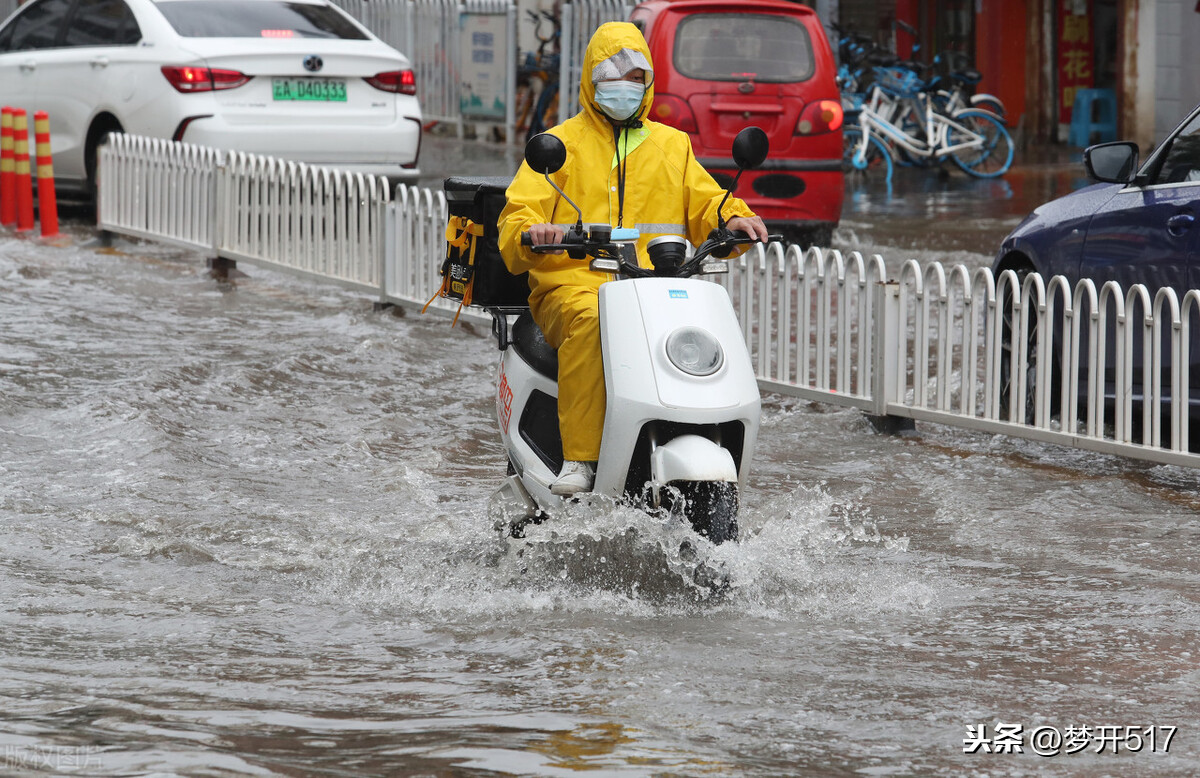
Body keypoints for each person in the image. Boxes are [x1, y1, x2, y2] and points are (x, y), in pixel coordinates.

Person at [498, 21, 768, 497]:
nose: (622, 86)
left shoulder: (673, 145)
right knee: (589, 321)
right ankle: (581, 459)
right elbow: (519, 213)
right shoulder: (560, 145)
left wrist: (737, 219)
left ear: (648, 82)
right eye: (609, 75)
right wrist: (533, 231)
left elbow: (709, 202)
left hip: (657, 288)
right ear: (590, 79)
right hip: (576, 284)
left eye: (633, 76)